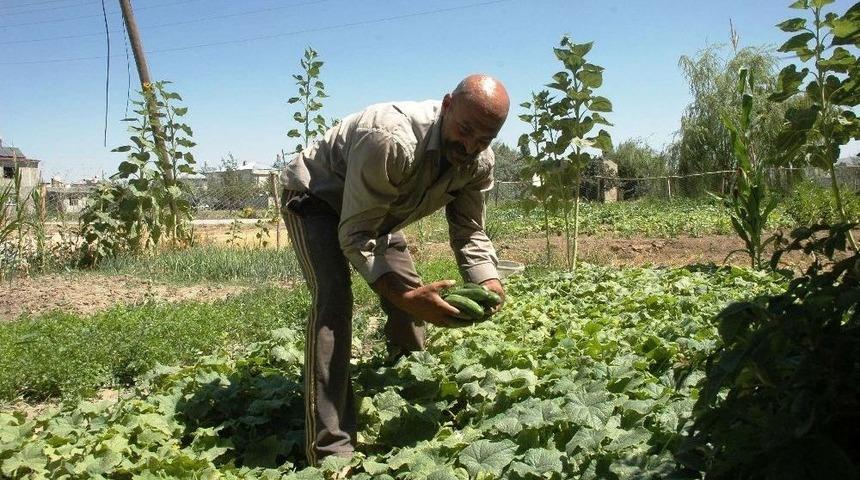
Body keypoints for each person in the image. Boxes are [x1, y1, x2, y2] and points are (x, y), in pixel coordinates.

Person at [279, 73, 510, 465]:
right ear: (447, 105)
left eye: (484, 139)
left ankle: (408, 379)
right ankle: (330, 450)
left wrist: (489, 283)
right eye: (466, 130)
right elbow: (355, 235)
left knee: (413, 295)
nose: (470, 145)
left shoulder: (477, 162)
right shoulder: (390, 138)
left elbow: (470, 231)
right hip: (316, 198)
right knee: (333, 302)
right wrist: (405, 298)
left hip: (380, 208)